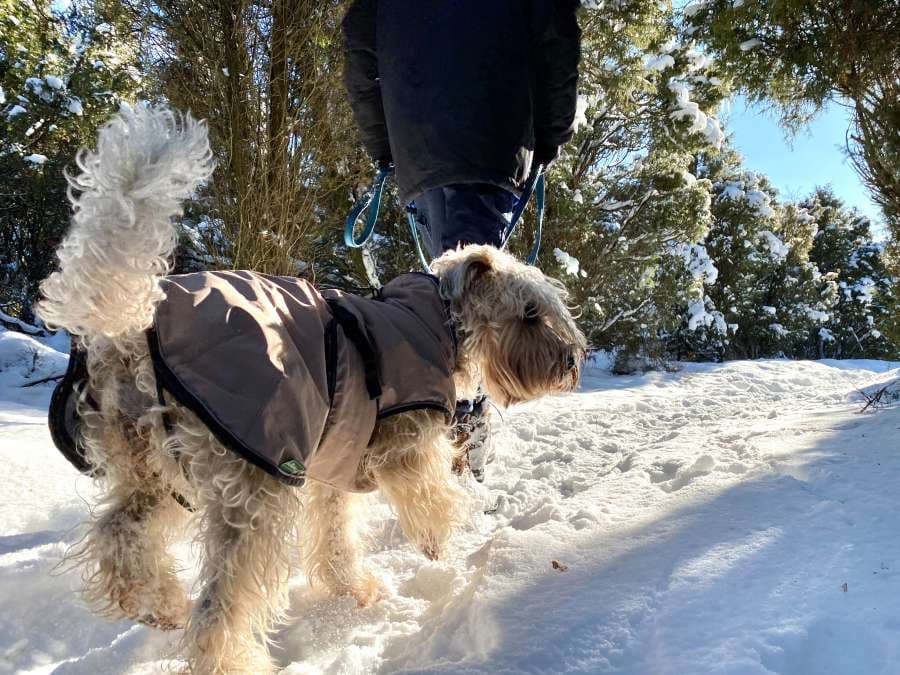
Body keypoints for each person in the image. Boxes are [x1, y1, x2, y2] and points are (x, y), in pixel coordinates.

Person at [342, 0, 582, 480]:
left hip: (417, 146)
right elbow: (555, 30)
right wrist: (550, 136)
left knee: (454, 303)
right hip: (495, 135)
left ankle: (449, 444)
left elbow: (359, 42)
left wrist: (386, 147)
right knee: (469, 311)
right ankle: (457, 454)